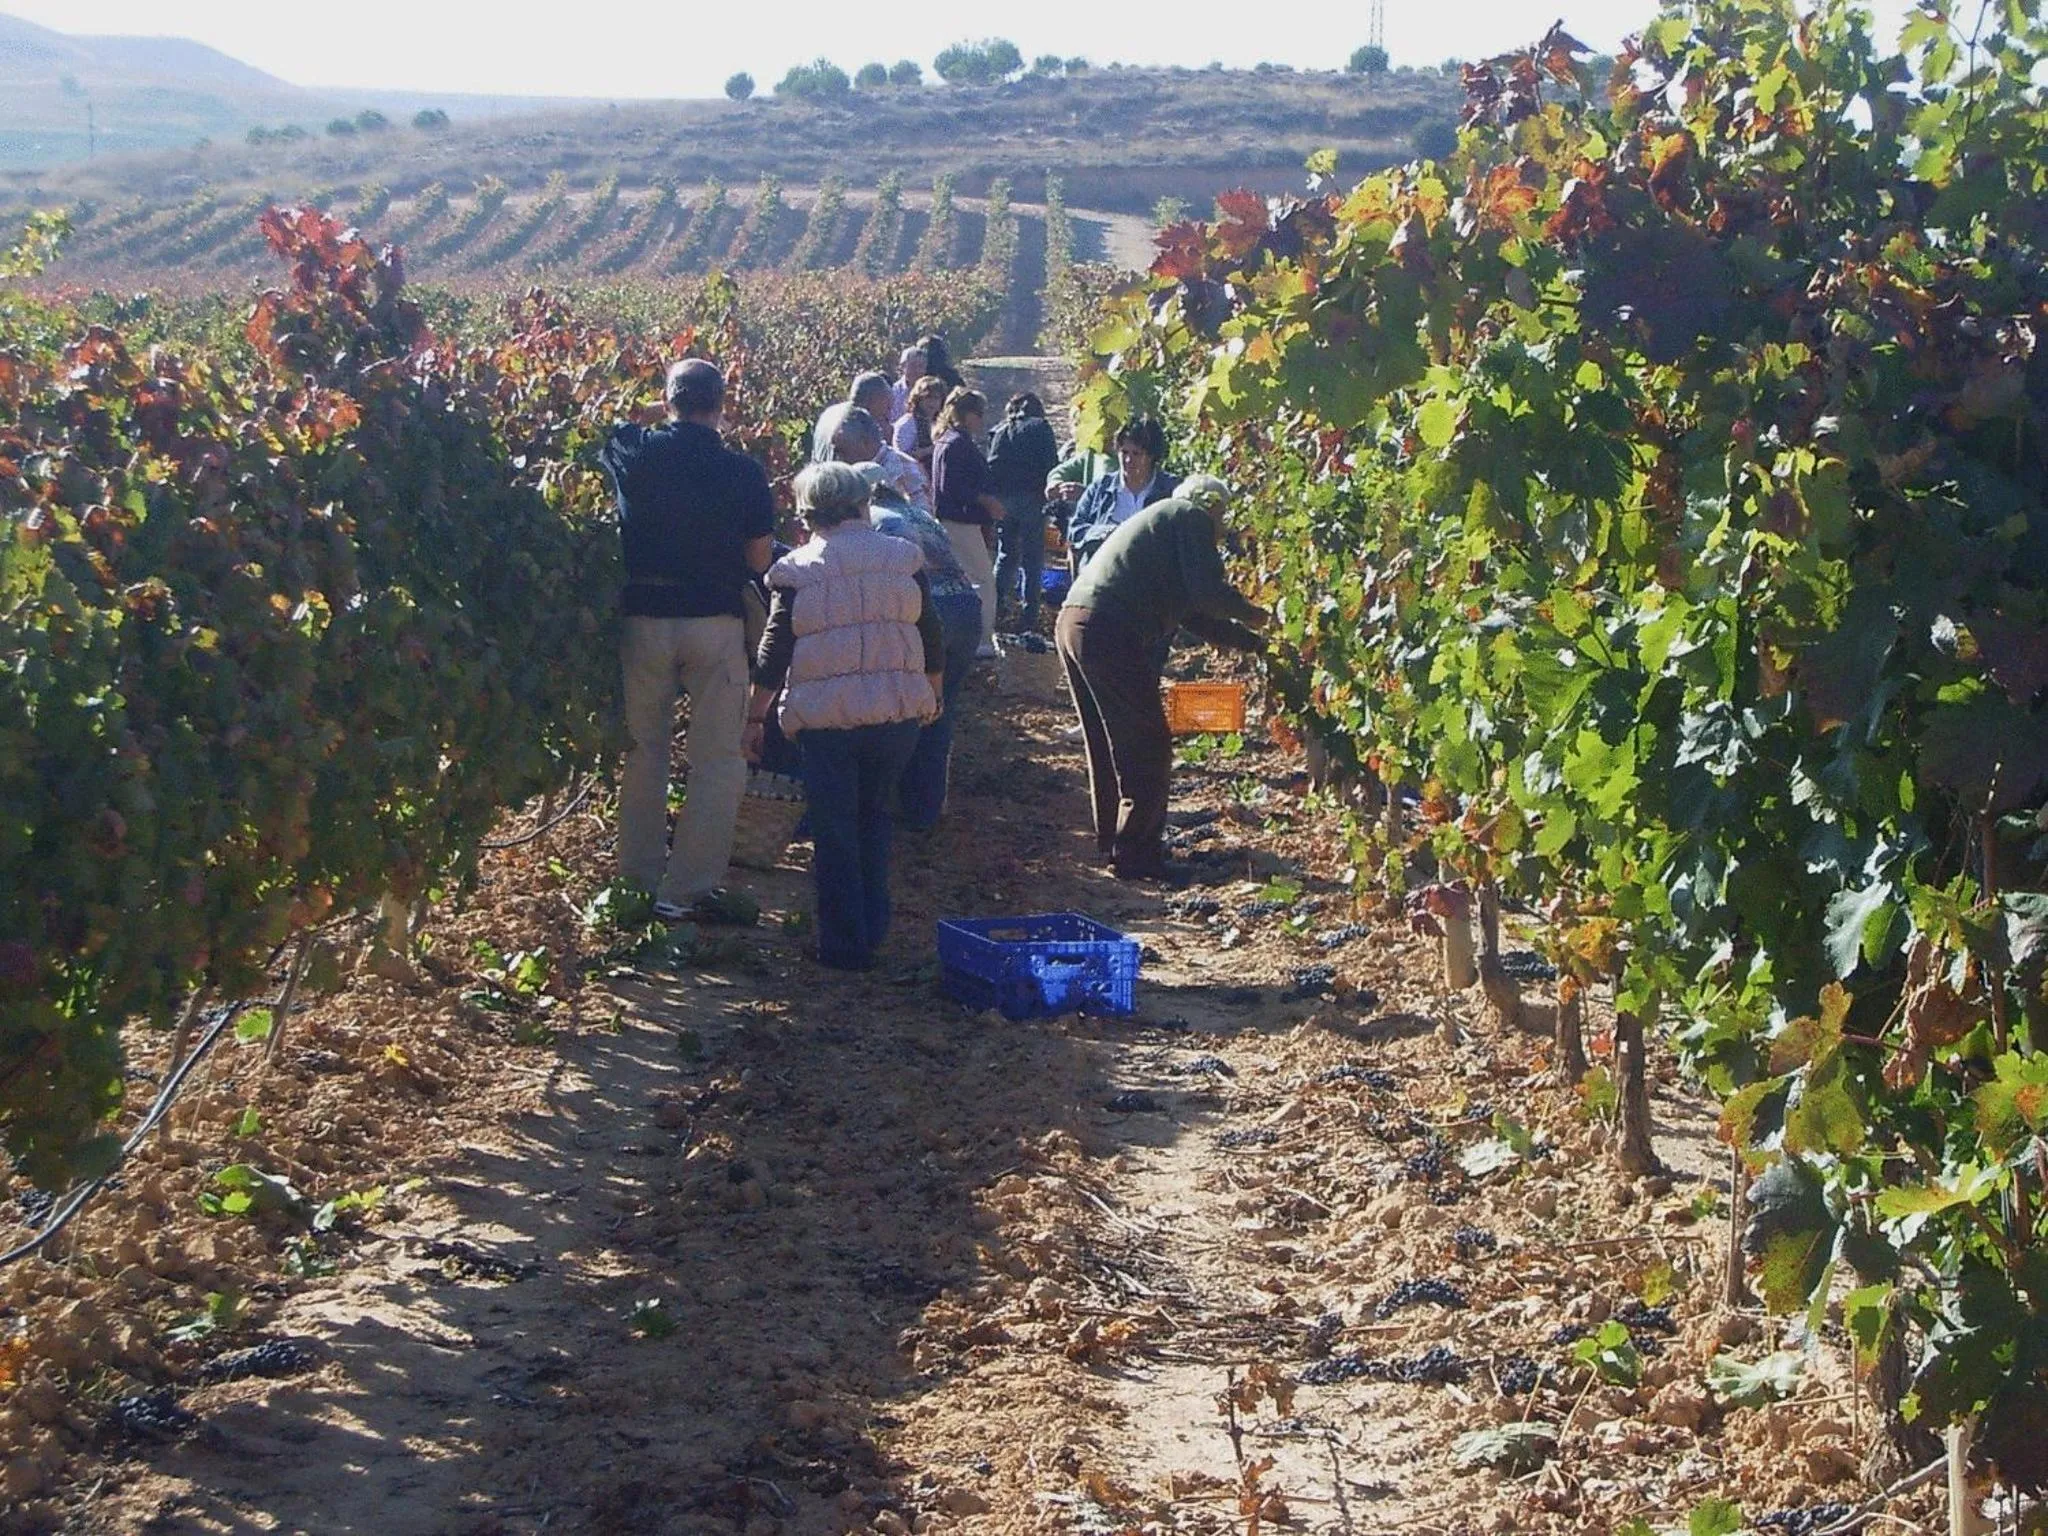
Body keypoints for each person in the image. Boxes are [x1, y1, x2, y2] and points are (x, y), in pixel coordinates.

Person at [746, 463, 945, 970]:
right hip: (895, 714)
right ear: (862, 505)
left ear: (807, 515)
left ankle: (842, 945)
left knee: (834, 828)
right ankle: (874, 926)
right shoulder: (903, 559)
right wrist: (932, 695)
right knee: (875, 817)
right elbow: (931, 634)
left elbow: (775, 650)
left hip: (826, 722)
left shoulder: (797, 571)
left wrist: (755, 717)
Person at [602, 358, 776, 920]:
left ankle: (636, 881)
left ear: (669, 399)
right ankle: (686, 892)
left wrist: (657, 410)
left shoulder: (635, 452)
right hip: (714, 621)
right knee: (717, 760)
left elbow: (617, 425)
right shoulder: (743, 472)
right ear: (721, 406)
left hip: (644, 618)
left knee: (642, 751)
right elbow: (758, 559)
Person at [1056, 475, 1267, 882]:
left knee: (1108, 738)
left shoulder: (1164, 530)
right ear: (1212, 506)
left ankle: (1117, 842)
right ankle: (1138, 856)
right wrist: (1257, 615)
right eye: (1222, 519)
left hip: (1076, 621)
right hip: (1107, 628)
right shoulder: (1189, 515)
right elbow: (1209, 595)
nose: (1221, 531)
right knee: (1147, 740)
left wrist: (1255, 645)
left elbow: (1196, 615)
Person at [929, 387, 1007, 657]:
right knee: (983, 580)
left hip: (952, 521)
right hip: (959, 522)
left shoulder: (945, 440)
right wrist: (985, 501)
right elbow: (952, 487)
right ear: (966, 414)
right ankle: (982, 639)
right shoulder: (956, 444)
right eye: (979, 414)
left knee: (961, 579)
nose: (982, 420)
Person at [986, 392, 1062, 632]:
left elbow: (992, 466)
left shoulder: (1000, 431)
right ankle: (1029, 615)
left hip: (1006, 500)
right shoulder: (1041, 428)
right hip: (1032, 499)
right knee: (1033, 558)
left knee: (1006, 554)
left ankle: (997, 608)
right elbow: (1052, 465)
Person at [1066, 416, 1180, 571]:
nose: (1128, 460)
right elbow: (1075, 530)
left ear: (1152, 457)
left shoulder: (1172, 491)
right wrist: (1103, 533)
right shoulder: (1100, 489)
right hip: (1104, 577)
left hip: (1153, 582)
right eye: (1124, 452)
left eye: (1136, 454)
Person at [815, 372, 928, 507]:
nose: (888, 418)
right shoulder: (849, 426)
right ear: (868, 404)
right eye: (886, 410)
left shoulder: (829, 415)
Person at [894, 374, 948, 474]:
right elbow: (900, 457)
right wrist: (930, 450)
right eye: (928, 397)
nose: (932, 402)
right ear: (918, 399)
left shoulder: (941, 424)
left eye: (936, 398)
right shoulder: (907, 423)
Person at [888, 346, 926, 424]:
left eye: (921, 366)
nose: (917, 370)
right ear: (903, 367)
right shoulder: (894, 392)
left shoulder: (929, 391)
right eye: (913, 366)